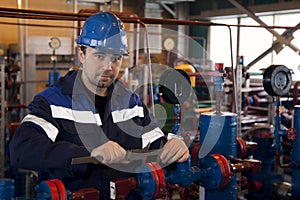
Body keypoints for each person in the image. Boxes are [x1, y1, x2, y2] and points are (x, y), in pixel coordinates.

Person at [9, 11, 189, 199]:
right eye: (100, 56)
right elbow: (22, 149)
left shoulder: (131, 102)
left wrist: (173, 145)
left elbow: (154, 142)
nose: (108, 67)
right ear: (81, 54)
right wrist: (91, 152)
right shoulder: (53, 102)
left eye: (116, 58)